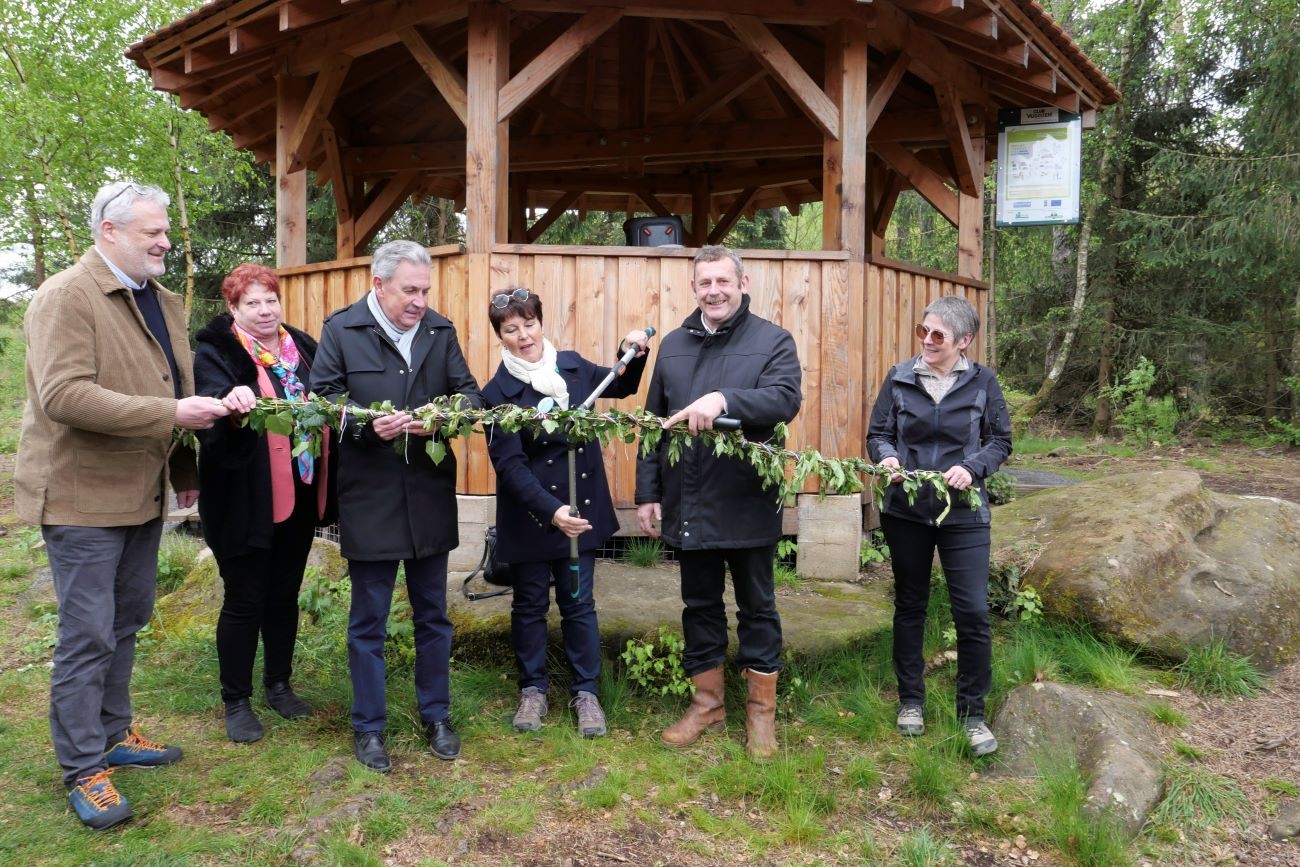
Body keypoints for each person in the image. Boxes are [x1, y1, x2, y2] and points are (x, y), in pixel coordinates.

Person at [16, 181, 231, 830]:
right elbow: (64, 396)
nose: (165, 241)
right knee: (87, 635)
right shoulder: (65, 297)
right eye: (151, 232)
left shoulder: (156, 298)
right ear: (109, 232)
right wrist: (171, 415)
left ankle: (113, 732)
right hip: (81, 496)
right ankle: (83, 767)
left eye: (166, 231)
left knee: (129, 617)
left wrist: (185, 464)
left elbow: (173, 379)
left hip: (141, 490)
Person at [313, 240, 485, 773]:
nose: (419, 301)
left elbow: (471, 398)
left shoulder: (439, 330)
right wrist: (367, 423)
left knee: (434, 615)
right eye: (410, 291)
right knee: (369, 620)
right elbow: (322, 401)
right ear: (378, 285)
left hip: (428, 496)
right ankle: (369, 727)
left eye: (425, 290)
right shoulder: (342, 330)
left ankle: (436, 715)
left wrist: (441, 419)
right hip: (371, 497)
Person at [635, 245, 802, 760]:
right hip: (689, 502)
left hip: (747, 499)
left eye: (723, 282)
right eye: (705, 282)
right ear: (694, 288)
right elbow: (654, 422)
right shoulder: (674, 346)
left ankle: (761, 715)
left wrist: (724, 399)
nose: (714, 291)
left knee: (758, 608)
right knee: (699, 606)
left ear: (743, 283)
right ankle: (707, 705)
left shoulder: (773, 340)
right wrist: (648, 491)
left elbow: (784, 399)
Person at [482, 288, 649, 738]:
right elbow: (510, 465)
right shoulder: (497, 394)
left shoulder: (574, 368)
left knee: (579, 604)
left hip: (582, 508)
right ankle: (533, 689)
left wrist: (631, 350)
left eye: (529, 325)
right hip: (534, 515)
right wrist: (552, 510)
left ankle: (586, 693)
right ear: (500, 336)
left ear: (540, 322)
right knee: (530, 604)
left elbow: (622, 382)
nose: (523, 336)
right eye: (511, 330)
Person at [193, 263, 336, 744]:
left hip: (298, 491)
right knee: (244, 599)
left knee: (283, 594)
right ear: (233, 309)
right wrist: (231, 404)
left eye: (270, 299)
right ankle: (236, 700)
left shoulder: (304, 348)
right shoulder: (217, 352)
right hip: (244, 500)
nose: (264, 310)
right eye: (251, 303)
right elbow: (209, 414)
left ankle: (279, 684)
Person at [866, 295, 1012, 758]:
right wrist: (886, 457)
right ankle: (911, 700)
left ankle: (972, 712)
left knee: (971, 611)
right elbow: (878, 434)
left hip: (964, 514)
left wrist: (973, 467)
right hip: (906, 510)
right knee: (910, 604)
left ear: (964, 341)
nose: (927, 341)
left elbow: (1001, 441)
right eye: (922, 331)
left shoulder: (983, 381)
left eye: (938, 335)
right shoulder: (900, 377)